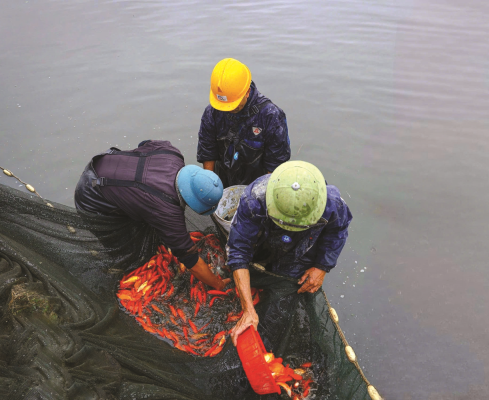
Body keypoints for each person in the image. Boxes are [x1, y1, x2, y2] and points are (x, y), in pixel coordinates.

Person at [74, 139, 229, 291]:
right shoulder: (167, 210)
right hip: (91, 194)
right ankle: (122, 272)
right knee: (125, 251)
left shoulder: (172, 153)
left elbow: (144, 144)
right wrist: (218, 284)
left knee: (140, 212)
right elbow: (190, 259)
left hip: (103, 162)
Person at [225, 161, 352, 345]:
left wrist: (322, 266)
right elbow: (238, 251)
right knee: (249, 263)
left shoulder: (332, 203)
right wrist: (247, 309)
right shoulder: (254, 198)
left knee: (285, 296)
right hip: (266, 237)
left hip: (305, 247)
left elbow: (337, 232)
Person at [196, 58, 291, 188]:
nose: (228, 109)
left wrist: (262, 195)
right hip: (222, 179)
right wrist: (210, 184)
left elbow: (276, 162)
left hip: (258, 182)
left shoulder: (271, 116)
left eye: (232, 105)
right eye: (224, 106)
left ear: (247, 92)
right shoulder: (212, 112)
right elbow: (207, 149)